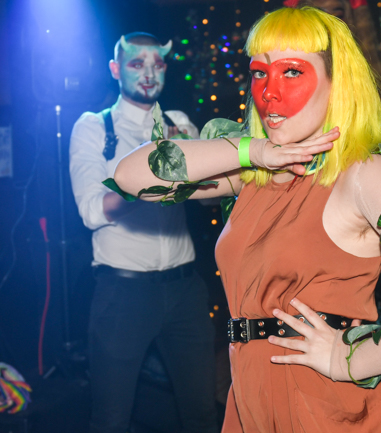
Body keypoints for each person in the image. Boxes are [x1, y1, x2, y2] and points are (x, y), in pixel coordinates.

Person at [114, 8, 381, 432]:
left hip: (334, 407)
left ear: (337, 83)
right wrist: (253, 151)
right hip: (254, 395)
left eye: (292, 72)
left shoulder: (362, 173)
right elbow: (131, 176)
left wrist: (354, 360)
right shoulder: (253, 173)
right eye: (259, 73)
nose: (269, 92)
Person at [69, 32, 218, 433]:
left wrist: (206, 166)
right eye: (137, 63)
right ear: (116, 69)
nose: (149, 73)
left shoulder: (180, 124)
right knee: (111, 420)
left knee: (203, 414)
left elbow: (210, 202)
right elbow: (91, 210)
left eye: (158, 63)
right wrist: (152, 176)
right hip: (123, 293)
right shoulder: (94, 127)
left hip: (185, 290)